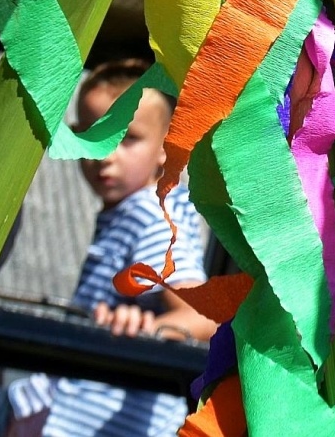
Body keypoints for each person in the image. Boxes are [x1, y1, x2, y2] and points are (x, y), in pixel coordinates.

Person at [16, 60, 215, 437]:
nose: (105, 155)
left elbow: (201, 315)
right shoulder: (129, 212)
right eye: (93, 137)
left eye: (126, 138)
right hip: (84, 410)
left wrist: (151, 328)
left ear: (167, 145)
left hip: (113, 421)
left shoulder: (150, 216)